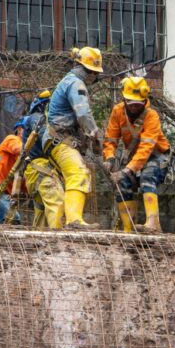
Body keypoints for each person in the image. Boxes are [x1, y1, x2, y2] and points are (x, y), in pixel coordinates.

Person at [42, 47, 103, 228]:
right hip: (60, 139)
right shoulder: (76, 83)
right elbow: (83, 113)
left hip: (56, 139)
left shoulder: (68, 81)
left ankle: (70, 221)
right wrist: (94, 135)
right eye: (94, 73)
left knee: (73, 175)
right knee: (78, 173)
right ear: (87, 70)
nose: (95, 78)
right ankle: (74, 221)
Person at [103, 77, 171, 232]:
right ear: (124, 99)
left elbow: (146, 149)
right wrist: (109, 159)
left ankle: (152, 224)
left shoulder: (151, 116)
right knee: (122, 184)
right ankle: (129, 228)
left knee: (148, 175)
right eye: (131, 103)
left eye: (138, 103)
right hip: (136, 158)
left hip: (157, 155)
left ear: (145, 100)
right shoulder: (118, 111)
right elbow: (110, 139)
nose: (134, 107)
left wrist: (127, 170)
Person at [19, 90, 65, 229]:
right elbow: (45, 137)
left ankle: (37, 244)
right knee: (57, 202)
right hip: (42, 171)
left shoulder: (40, 119)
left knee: (43, 215)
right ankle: (60, 241)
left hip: (38, 173)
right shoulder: (37, 118)